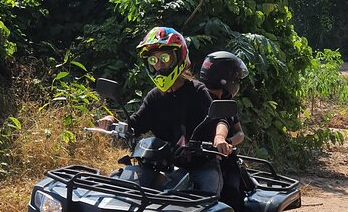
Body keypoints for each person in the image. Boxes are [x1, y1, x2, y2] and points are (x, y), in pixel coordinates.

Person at [98, 27, 232, 196]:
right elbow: (136, 124)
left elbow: (221, 119)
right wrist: (114, 122)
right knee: (123, 192)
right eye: (153, 60)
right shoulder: (154, 97)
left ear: (179, 57)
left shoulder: (197, 91)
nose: (159, 65)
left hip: (200, 166)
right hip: (163, 168)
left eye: (164, 58)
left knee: (206, 200)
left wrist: (219, 137)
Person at [199, 51, 249, 212]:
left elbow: (240, 134)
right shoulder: (196, 96)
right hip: (196, 159)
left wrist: (226, 142)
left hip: (224, 163)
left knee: (231, 194)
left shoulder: (227, 105)